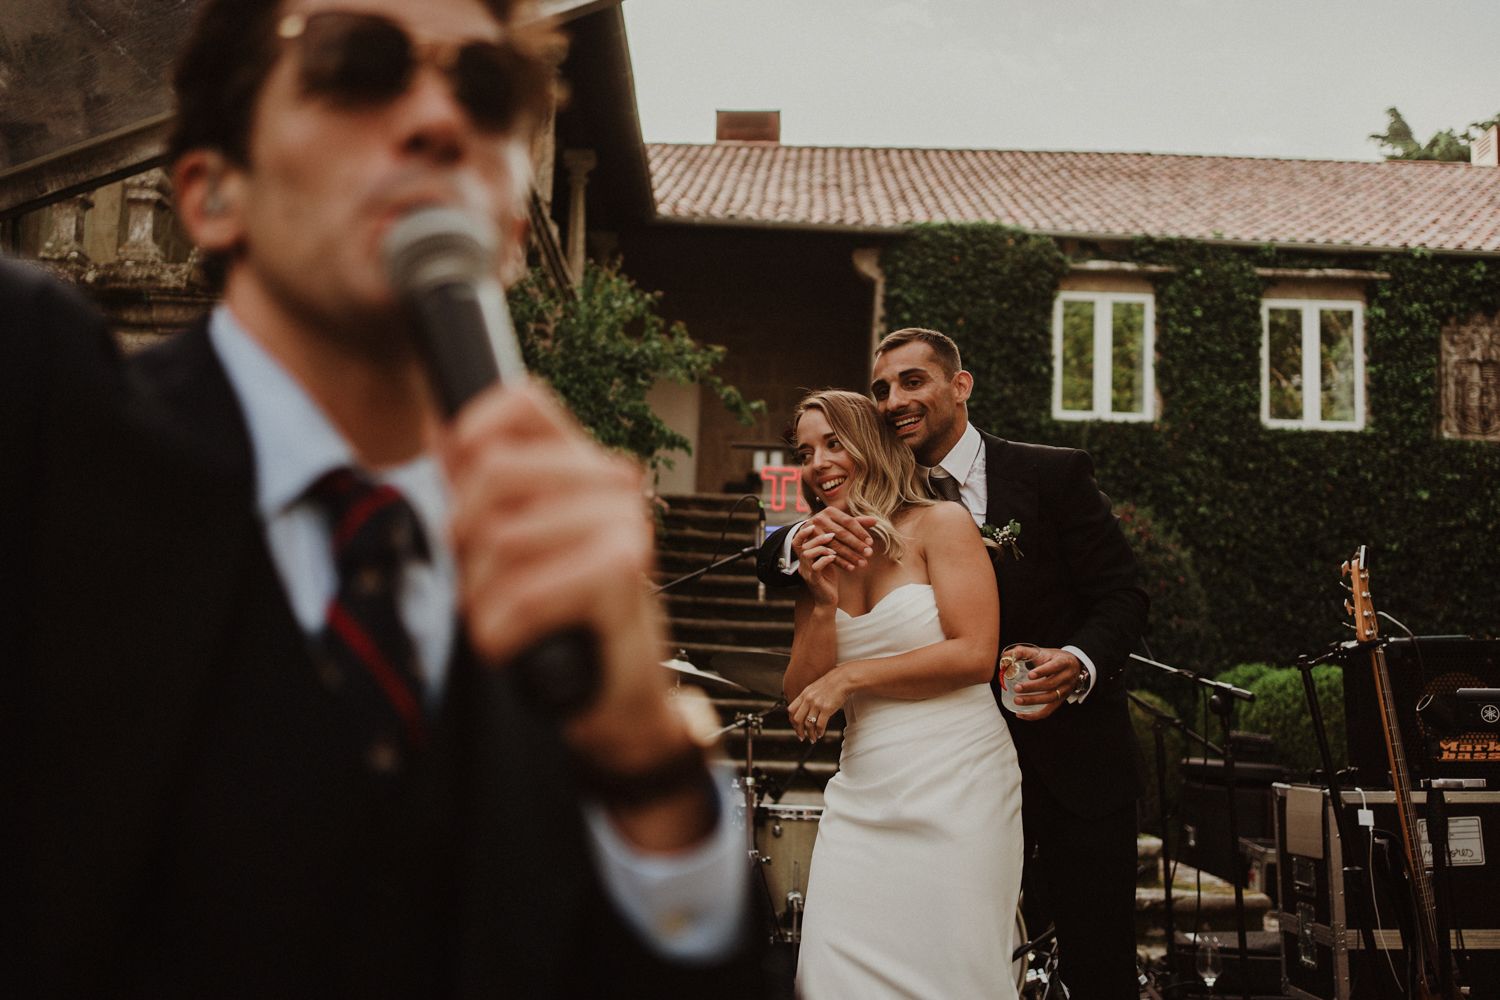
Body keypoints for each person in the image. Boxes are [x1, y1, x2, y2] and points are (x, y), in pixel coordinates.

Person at [3, 1, 763, 996]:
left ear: (514, 238)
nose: (441, 121)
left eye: (490, 92)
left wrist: (647, 766)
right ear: (211, 193)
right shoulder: (46, 439)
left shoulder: (561, 588)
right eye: (356, 66)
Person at [759, 330, 1148, 997]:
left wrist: (1078, 661)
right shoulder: (822, 543)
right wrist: (807, 571)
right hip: (879, 777)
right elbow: (781, 570)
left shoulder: (1045, 477)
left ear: (959, 386)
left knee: (1088, 960)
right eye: (881, 389)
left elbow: (1122, 593)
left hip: (1046, 759)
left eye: (913, 382)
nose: (894, 400)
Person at [780, 390, 1022, 998]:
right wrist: (820, 600)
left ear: (873, 443)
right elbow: (802, 696)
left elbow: (974, 654)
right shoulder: (818, 550)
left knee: (952, 970)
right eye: (806, 451)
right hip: (863, 789)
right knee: (832, 974)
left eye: (834, 443)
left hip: (958, 782)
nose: (819, 463)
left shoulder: (941, 524)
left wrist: (850, 677)